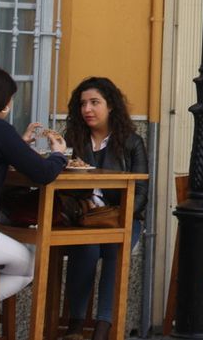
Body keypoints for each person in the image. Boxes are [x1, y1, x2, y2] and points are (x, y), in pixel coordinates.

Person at [62, 77, 149, 340]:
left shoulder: (132, 142)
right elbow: (63, 187)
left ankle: (103, 327)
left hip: (122, 218)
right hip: (84, 218)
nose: (87, 109)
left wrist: (120, 217)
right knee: (86, 248)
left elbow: (142, 193)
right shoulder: (73, 139)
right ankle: (75, 326)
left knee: (114, 249)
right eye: (83, 104)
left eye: (94, 103)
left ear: (110, 106)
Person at [0, 66, 68, 301]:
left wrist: (19, 144)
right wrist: (59, 155)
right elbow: (43, 173)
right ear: (3, 101)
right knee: (28, 266)